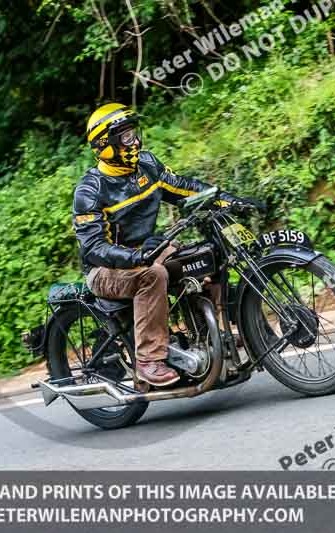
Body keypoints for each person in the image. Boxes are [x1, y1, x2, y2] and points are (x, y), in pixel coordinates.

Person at [72, 103, 266, 387]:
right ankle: (149, 359)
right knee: (154, 276)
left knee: (203, 258)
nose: (135, 141)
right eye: (125, 137)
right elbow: (93, 248)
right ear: (105, 143)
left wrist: (228, 199)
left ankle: (208, 336)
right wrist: (135, 256)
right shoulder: (91, 189)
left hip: (149, 250)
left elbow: (185, 188)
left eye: (134, 133)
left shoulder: (147, 165)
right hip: (105, 270)